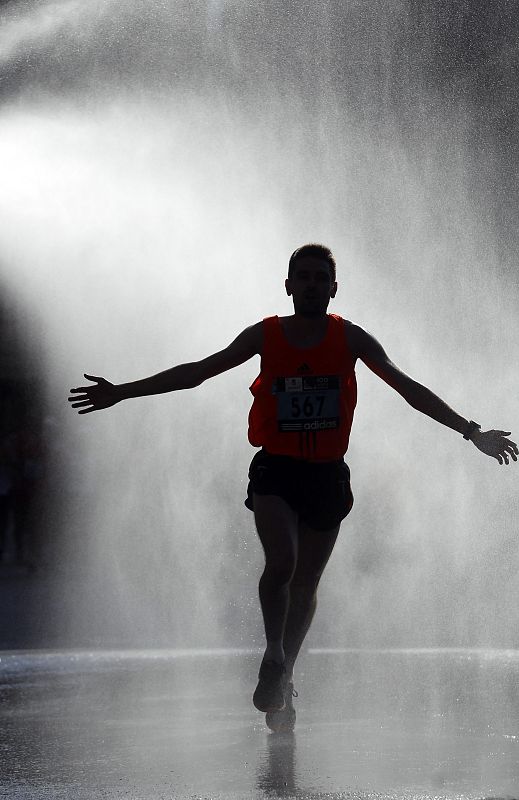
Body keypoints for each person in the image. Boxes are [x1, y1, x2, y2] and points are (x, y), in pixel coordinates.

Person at [68, 243, 517, 732]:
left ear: (333, 288)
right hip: (276, 470)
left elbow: (409, 390)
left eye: (319, 278)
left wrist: (471, 432)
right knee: (282, 563)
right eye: (301, 277)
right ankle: (274, 651)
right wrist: (122, 392)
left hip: (327, 474)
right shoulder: (266, 334)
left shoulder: (351, 339)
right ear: (287, 286)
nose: (310, 284)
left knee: (306, 584)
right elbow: (198, 372)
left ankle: (284, 678)